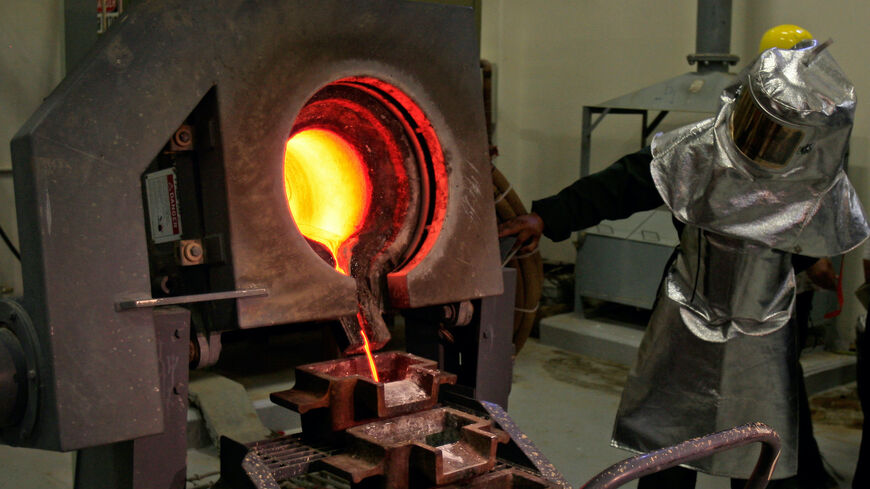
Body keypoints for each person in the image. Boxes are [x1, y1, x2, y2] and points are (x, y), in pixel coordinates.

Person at [500, 33, 869, 488]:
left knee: (762, 452)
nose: (768, 140)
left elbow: (813, 237)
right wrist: (546, 216)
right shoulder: (700, 150)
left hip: (766, 329)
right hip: (685, 314)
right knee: (666, 451)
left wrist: (807, 263)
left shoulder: (816, 180)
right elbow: (623, 184)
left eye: (783, 134)